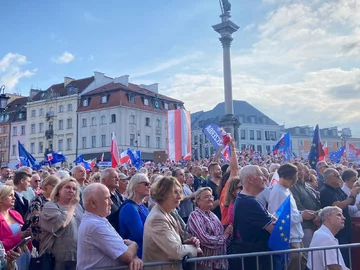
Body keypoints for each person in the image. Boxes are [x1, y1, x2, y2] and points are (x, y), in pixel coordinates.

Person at [77, 183, 143, 270]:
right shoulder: (96, 225)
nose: (111, 203)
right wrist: (134, 245)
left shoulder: (98, 220)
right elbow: (127, 256)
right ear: (93, 203)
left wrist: (134, 257)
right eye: (107, 199)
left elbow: (123, 249)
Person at [143, 176, 201, 270]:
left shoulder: (168, 213)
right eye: (175, 192)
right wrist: (193, 249)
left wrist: (185, 243)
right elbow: (175, 252)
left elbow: (170, 245)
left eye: (180, 192)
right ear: (163, 194)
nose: (179, 196)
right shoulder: (157, 218)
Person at [233, 165, 281, 270]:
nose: (265, 178)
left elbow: (270, 218)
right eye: (261, 175)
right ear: (250, 179)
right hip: (258, 259)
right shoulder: (250, 202)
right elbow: (274, 229)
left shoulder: (248, 199)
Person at [268, 163, 315, 270]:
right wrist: (301, 216)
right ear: (285, 176)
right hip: (289, 239)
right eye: (293, 179)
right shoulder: (278, 192)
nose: (294, 182)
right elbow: (278, 218)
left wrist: (300, 214)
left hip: (295, 237)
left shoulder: (285, 190)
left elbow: (290, 212)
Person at [40, 178, 83, 270]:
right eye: (67, 187)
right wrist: (71, 206)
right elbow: (60, 224)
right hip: (57, 258)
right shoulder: (50, 206)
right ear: (58, 190)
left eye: (74, 189)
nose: (71, 190)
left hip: (77, 256)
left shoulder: (78, 207)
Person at [320, 168, 360, 267]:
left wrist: (353, 194)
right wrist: (352, 196)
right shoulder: (325, 191)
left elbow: (350, 203)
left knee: (349, 257)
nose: (340, 179)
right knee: (342, 257)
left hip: (345, 228)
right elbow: (339, 205)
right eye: (337, 176)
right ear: (329, 178)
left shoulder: (338, 189)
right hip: (337, 231)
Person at [187, 187, 232, 270]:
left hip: (219, 263)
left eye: (211, 196)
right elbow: (205, 239)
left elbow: (221, 235)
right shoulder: (194, 216)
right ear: (198, 201)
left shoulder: (212, 215)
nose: (210, 199)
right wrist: (225, 236)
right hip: (205, 264)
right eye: (206, 197)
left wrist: (229, 233)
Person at [0, 184, 31, 270]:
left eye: (14, 195)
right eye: (10, 195)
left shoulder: (16, 214)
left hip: (23, 254)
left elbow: (23, 233)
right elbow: (1, 244)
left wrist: (28, 233)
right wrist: (19, 236)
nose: (14, 198)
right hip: (7, 260)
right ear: (1, 197)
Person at [119, 173, 150, 259]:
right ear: (135, 186)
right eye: (146, 184)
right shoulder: (129, 208)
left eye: (149, 184)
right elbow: (139, 234)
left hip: (146, 253)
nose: (149, 187)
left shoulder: (142, 206)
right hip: (137, 256)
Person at [28, 175, 60, 250]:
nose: (57, 190)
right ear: (46, 186)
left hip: (53, 236)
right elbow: (36, 218)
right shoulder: (37, 199)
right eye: (55, 186)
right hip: (40, 237)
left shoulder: (55, 200)